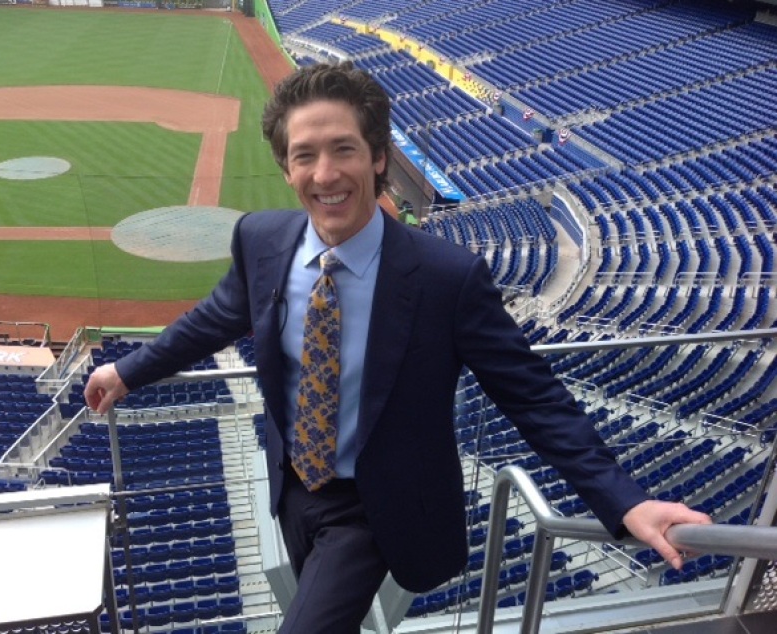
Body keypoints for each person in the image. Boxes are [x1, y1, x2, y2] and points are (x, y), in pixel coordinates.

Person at [85, 61, 711, 632]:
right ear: (286, 169)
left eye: (344, 150)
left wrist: (625, 502)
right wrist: (128, 371)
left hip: (374, 506)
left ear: (379, 157)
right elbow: (215, 318)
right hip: (293, 489)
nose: (325, 174)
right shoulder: (261, 240)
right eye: (305, 156)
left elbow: (534, 398)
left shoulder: (447, 278)